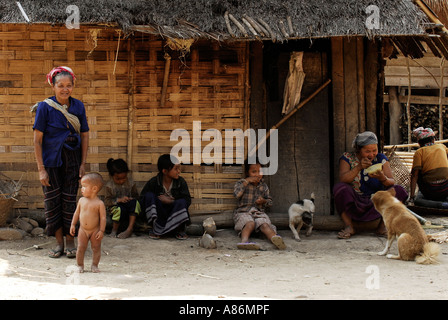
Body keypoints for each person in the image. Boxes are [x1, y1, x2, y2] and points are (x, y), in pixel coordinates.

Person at [32, 66, 89, 258]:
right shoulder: (45, 107)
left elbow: (85, 134)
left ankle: (71, 241)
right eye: (60, 85)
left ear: (73, 86)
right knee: (52, 202)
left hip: (72, 159)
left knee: (70, 200)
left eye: (69, 85)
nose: (65, 89)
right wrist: (41, 169)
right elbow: (37, 140)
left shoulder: (78, 106)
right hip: (51, 160)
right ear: (53, 86)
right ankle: (58, 244)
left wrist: (82, 163)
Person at [333, 131, 408, 239]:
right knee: (339, 188)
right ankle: (349, 226)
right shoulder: (347, 158)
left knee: (399, 190)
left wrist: (383, 178)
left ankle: (383, 227)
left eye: (374, 150)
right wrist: (358, 167)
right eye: (367, 151)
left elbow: (391, 181)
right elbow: (343, 179)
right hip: (356, 200)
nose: (372, 154)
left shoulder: (381, 159)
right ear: (359, 150)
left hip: (376, 200)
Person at [233, 161, 285, 250]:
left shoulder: (264, 186)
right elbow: (236, 194)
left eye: (260, 171)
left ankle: (275, 239)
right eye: (254, 172)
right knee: (250, 223)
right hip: (243, 212)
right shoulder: (241, 183)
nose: (257, 174)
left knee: (264, 225)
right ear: (247, 173)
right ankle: (244, 242)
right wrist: (246, 181)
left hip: (258, 213)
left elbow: (270, 202)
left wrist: (263, 201)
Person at [140, 154, 191, 240]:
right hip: (159, 214)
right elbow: (142, 199)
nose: (179, 171)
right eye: (176, 169)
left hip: (174, 213)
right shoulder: (154, 182)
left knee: (182, 202)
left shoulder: (180, 182)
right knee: (149, 196)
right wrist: (158, 199)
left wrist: (171, 201)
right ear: (165, 171)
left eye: (179, 168)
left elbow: (187, 200)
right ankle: (156, 228)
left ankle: (179, 229)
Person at [70, 173, 106, 273]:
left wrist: (102, 230)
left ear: (94, 189)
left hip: (95, 230)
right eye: (82, 186)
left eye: (84, 186)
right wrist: (73, 224)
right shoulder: (81, 200)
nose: (82, 189)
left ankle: (94, 265)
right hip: (82, 230)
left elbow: (103, 218)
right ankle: (80, 265)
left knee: (96, 248)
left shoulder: (99, 203)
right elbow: (76, 213)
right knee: (81, 248)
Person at [104, 158, 141, 238]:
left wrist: (131, 199)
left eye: (124, 178)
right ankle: (114, 230)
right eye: (118, 179)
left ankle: (130, 229)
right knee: (119, 209)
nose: (121, 181)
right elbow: (107, 201)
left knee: (135, 204)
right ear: (112, 176)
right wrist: (119, 200)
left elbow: (136, 196)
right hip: (116, 209)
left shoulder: (130, 183)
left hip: (129, 211)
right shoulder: (109, 186)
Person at [410, 127, 448, 202]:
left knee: (417, 171)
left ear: (419, 143)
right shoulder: (442, 147)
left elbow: (414, 176)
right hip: (446, 189)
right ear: (433, 139)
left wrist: (411, 196)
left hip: (431, 191)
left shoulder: (419, 152)